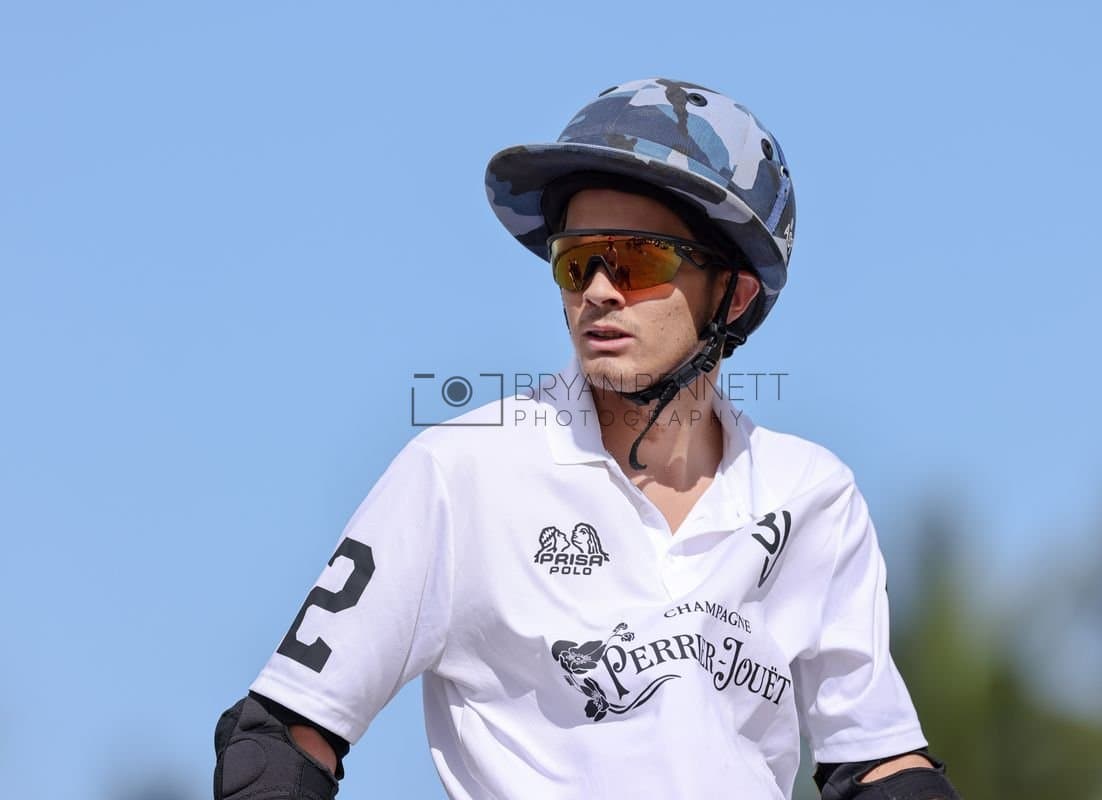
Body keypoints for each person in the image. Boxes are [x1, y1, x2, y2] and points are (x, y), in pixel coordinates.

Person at [214, 77, 962, 800]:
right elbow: (280, 740)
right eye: (577, 264)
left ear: (731, 293)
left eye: (637, 260)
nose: (599, 291)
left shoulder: (812, 494)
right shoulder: (459, 471)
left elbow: (880, 769)